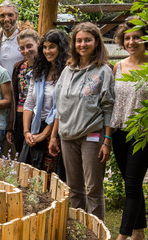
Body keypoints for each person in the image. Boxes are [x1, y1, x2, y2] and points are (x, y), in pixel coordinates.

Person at [48, 22, 114, 221]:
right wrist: (53, 137)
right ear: (73, 44)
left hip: (92, 136)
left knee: (94, 188)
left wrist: (107, 141)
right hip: (67, 136)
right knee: (74, 188)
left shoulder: (103, 71)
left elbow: (109, 108)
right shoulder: (67, 70)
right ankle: (78, 228)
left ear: (96, 42)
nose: (83, 44)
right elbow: (60, 107)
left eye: (87, 40)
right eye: (79, 40)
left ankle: (96, 229)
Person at [111, 18, 148, 240]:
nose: (131, 41)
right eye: (127, 37)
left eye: (136, 37)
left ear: (146, 39)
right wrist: (107, 136)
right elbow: (112, 104)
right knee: (132, 182)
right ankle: (139, 232)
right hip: (120, 132)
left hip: (145, 132)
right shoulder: (117, 67)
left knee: (131, 184)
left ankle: (123, 236)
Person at [18, 29, 69, 182]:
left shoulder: (67, 71)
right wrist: (27, 132)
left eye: (52, 46)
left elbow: (61, 107)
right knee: (30, 176)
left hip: (55, 129)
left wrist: (44, 135)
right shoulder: (39, 71)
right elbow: (29, 103)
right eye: (45, 47)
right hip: (35, 126)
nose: (48, 51)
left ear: (61, 47)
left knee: (51, 179)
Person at [7, 29, 39, 155]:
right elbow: (14, 96)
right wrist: (11, 126)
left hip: (38, 116)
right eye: (22, 48)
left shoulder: (45, 65)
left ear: (38, 43)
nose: (26, 51)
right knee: (22, 153)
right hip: (20, 116)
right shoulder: (19, 66)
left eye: (29, 46)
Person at [0, 0, 32, 78]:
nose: (6, 19)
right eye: (2, 15)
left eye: (10, 15)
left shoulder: (26, 38)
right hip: (1, 88)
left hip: (22, 86)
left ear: (17, 16)